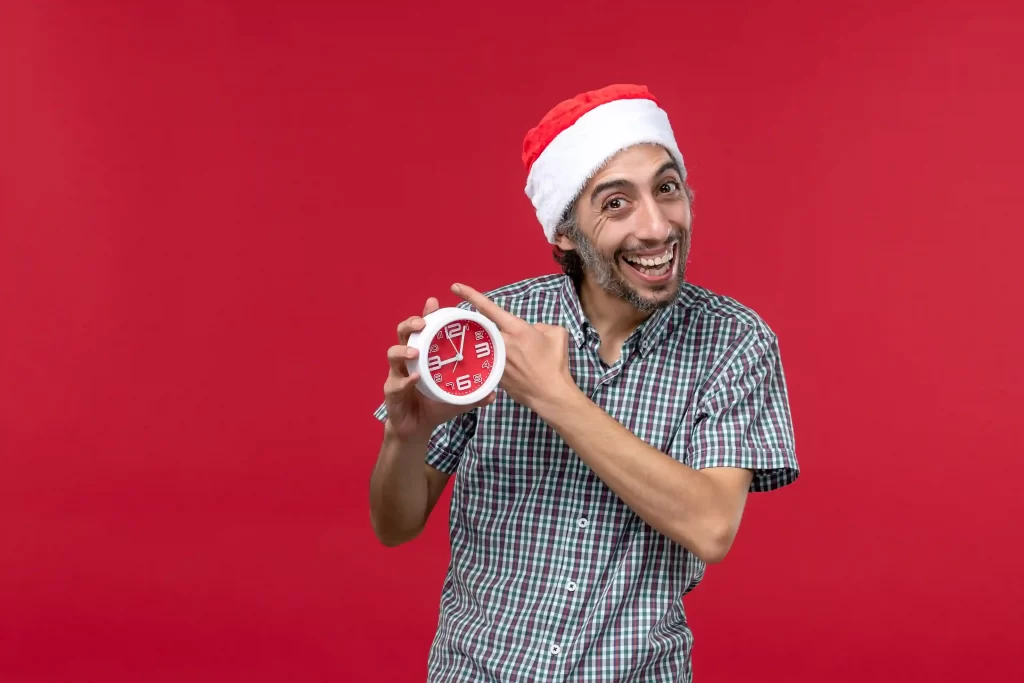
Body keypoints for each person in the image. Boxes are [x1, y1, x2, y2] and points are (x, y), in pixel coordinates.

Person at [368, 83, 800, 682]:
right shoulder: (489, 333)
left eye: (666, 189)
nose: (657, 227)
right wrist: (404, 437)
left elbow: (710, 527)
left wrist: (555, 395)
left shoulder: (734, 343)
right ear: (564, 233)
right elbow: (395, 525)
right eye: (616, 204)